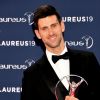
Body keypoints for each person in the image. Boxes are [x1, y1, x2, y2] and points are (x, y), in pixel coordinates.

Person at [20, 4, 100, 100]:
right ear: (38, 34)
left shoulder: (88, 60)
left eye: (53, 25)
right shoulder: (31, 75)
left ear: (62, 26)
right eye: (44, 28)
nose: (51, 33)